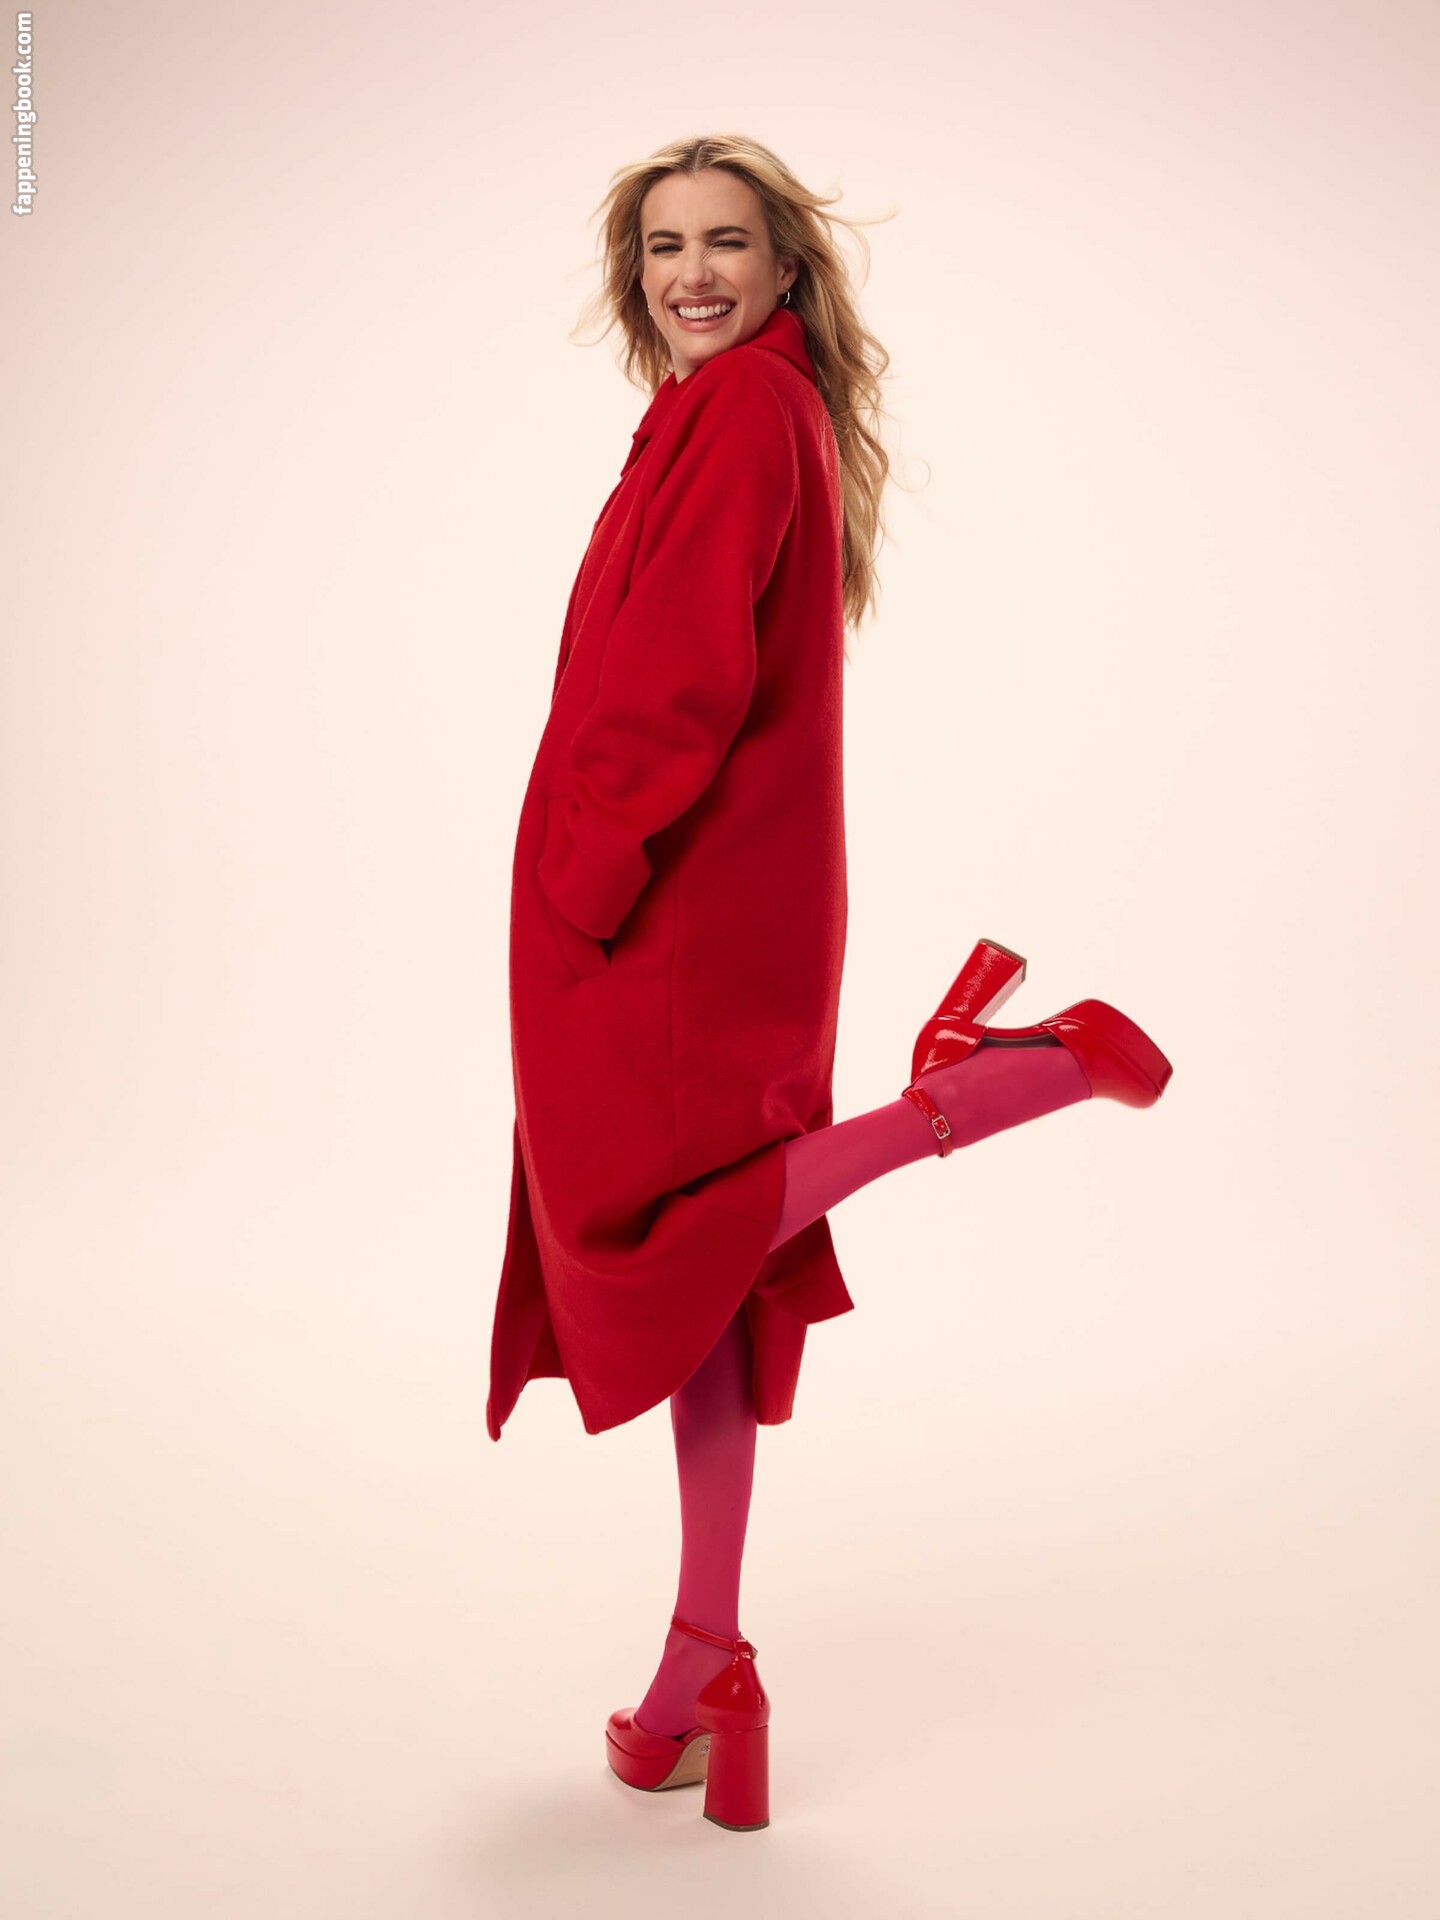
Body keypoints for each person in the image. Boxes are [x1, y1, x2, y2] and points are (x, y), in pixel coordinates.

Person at [485, 134, 1173, 1832]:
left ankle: (1011, 1078)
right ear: (634, 273)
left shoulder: (738, 412)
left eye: (726, 243)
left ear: (786, 267)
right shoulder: (736, 409)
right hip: (714, 892)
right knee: (710, 1271)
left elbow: (674, 681)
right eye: (665, 246)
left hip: (660, 904)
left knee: (652, 1233)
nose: (692, 274)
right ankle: (704, 1662)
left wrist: (583, 875)